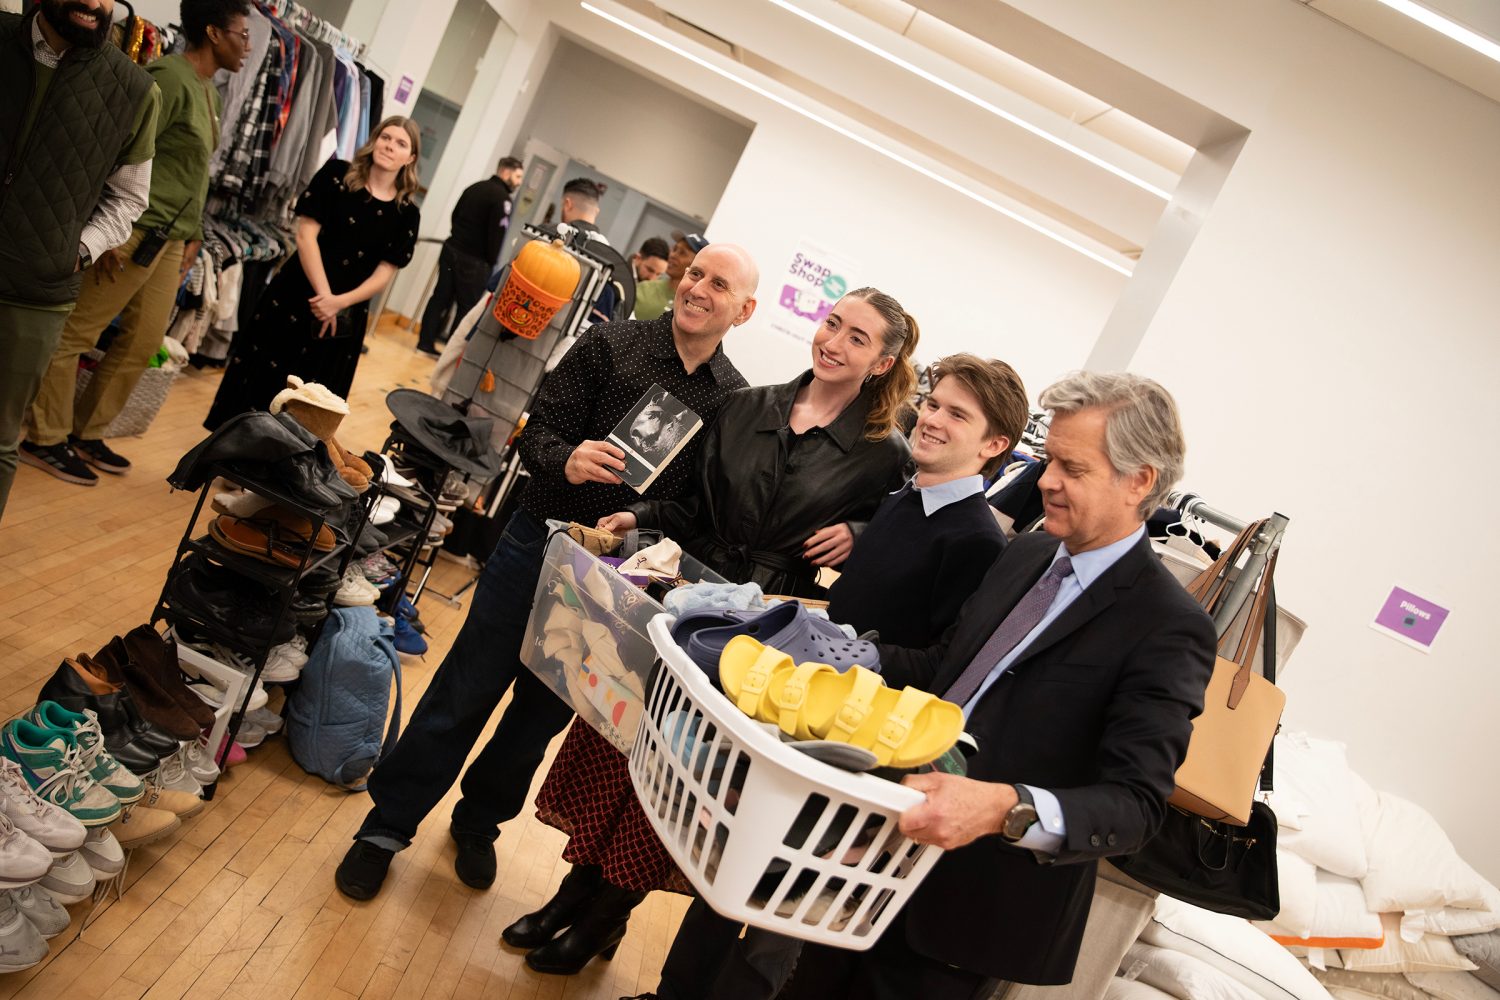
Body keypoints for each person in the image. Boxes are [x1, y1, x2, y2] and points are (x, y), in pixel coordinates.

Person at [503, 287, 919, 977]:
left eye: (857, 338)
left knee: (689, 780)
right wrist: (636, 518)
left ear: (882, 362)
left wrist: (861, 533)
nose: (834, 341)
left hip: (767, 636)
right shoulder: (747, 406)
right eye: (833, 323)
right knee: (628, 753)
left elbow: (902, 541)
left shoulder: (885, 455)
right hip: (690, 601)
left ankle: (605, 917)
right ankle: (571, 896)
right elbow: (690, 501)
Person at [333, 243, 761, 904]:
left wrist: (641, 512)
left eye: (719, 283)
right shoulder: (609, 344)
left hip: (615, 578)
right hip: (537, 542)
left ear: (746, 310)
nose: (698, 288)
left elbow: (698, 505)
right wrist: (566, 459)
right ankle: (386, 826)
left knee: (540, 716)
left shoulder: (733, 401)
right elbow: (536, 436)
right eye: (694, 273)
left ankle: (479, 822)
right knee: (464, 689)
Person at [781, 371, 1219, 999]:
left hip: (969, 911)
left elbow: (1135, 806)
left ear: (1139, 480)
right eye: (1047, 460)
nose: (1044, 482)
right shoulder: (1026, 557)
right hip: (879, 856)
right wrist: (829, 652)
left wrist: (1003, 808)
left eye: (1072, 467)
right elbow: (947, 671)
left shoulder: (1167, 626)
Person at [649, 353, 1029, 1000]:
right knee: (731, 873)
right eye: (933, 404)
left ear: (995, 445)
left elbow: (942, 663)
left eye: (956, 415)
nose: (932, 419)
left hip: (855, 747)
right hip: (805, 716)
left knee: (782, 912)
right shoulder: (904, 502)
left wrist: (846, 649)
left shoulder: (975, 542)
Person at [23, 0, 250, 486]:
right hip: (137, 231)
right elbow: (120, 154)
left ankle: (86, 430)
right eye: (242, 34)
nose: (247, 44)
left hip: (173, 238)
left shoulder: (208, 89)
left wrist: (194, 236)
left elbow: (191, 173)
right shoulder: (167, 77)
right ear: (213, 33)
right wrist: (104, 234)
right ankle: (44, 436)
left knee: (145, 341)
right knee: (76, 333)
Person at [0, 0, 160, 521]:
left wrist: (78, 249)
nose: (95, 3)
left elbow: (129, 199)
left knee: (0, 438)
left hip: (36, 292)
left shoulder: (135, 89)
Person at [203, 117, 421, 429]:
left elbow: (384, 274)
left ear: (410, 158)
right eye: (386, 137)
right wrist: (325, 297)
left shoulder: (407, 215)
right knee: (262, 374)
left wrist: (338, 303)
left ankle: (276, 470)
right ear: (374, 140)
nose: (390, 146)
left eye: (401, 143)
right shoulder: (336, 176)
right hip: (296, 294)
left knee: (312, 395)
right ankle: (230, 451)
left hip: (345, 314)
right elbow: (305, 235)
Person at [415, 154, 522, 357]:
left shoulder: (475, 187)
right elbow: (496, 235)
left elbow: (455, 215)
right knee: (466, 308)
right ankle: (450, 351)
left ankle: (424, 343)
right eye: (517, 176)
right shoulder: (503, 200)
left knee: (440, 298)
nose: (518, 182)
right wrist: (491, 262)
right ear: (506, 172)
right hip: (475, 261)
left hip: (452, 249)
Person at [634, 231, 705, 321]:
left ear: (697, 263)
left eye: (682, 253)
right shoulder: (644, 288)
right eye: (675, 249)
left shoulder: (696, 305)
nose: (673, 255)